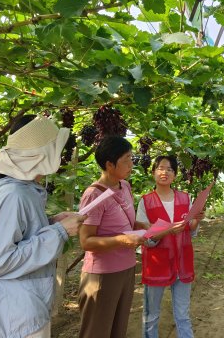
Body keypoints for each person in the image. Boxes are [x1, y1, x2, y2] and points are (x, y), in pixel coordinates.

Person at [0, 115, 86, 338]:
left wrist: (52, 223)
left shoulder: (22, 190)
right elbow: (2, 261)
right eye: (55, 148)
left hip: (21, 312)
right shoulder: (14, 194)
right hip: (16, 321)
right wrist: (59, 232)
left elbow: (20, 237)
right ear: (42, 153)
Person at [78, 135, 147, 338]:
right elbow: (86, 241)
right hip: (102, 275)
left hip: (126, 269)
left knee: (118, 329)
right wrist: (121, 240)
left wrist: (140, 226)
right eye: (126, 159)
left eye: (131, 158)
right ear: (110, 164)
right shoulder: (93, 195)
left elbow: (122, 222)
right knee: (97, 331)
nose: (131, 164)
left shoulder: (124, 186)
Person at [136, 155, 205, 338]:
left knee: (183, 315)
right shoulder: (145, 201)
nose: (164, 172)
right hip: (156, 264)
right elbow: (145, 238)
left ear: (175, 175)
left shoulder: (184, 198)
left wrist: (196, 220)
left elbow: (190, 232)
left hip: (182, 261)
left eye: (169, 169)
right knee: (151, 316)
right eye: (160, 168)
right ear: (153, 173)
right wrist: (165, 232)